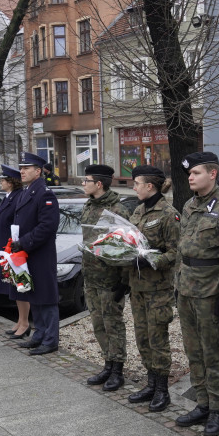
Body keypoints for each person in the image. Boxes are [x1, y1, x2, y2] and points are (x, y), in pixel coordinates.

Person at [174, 152, 219, 436]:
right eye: (189, 174)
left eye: (196, 173)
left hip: (211, 292)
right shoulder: (190, 205)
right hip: (187, 289)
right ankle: (201, 402)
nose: (190, 177)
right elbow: (182, 249)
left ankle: (216, 409)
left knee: (212, 353)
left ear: (213, 174)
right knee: (193, 350)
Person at [123, 165, 180, 412]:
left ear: (150, 186)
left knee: (158, 339)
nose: (134, 187)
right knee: (142, 337)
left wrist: (151, 260)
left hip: (159, 288)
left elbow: (176, 253)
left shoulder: (169, 214)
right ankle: (150, 383)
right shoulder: (138, 210)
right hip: (137, 286)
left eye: (137, 183)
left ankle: (162, 390)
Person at [79, 164, 130, 390]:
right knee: (98, 324)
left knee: (113, 324)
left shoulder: (117, 210)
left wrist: (124, 281)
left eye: (86, 180)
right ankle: (107, 364)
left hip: (110, 279)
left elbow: (128, 247)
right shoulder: (89, 206)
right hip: (91, 277)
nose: (83, 184)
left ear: (98, 184)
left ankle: (118, 369)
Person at [12, 152, 60, 356]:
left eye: (26, 168)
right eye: (21, 168)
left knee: (46, 297)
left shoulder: (45, 193)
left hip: (39, 254)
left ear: (38, 171)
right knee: (33, 294)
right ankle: (39, 335)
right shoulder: (26, 191)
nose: (21, 171)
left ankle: (50, 340)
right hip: (26, 254)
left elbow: (47, 226)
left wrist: (24, 242)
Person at [0, 166, 30, 339]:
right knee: (13, 287)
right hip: (5, 248)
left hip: (12, 248)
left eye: (3, 180)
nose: (0, 182)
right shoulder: (8, 197)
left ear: (11, 182)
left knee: (20, 286)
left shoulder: (17, 197)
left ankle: (25, 322)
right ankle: (21, 321)